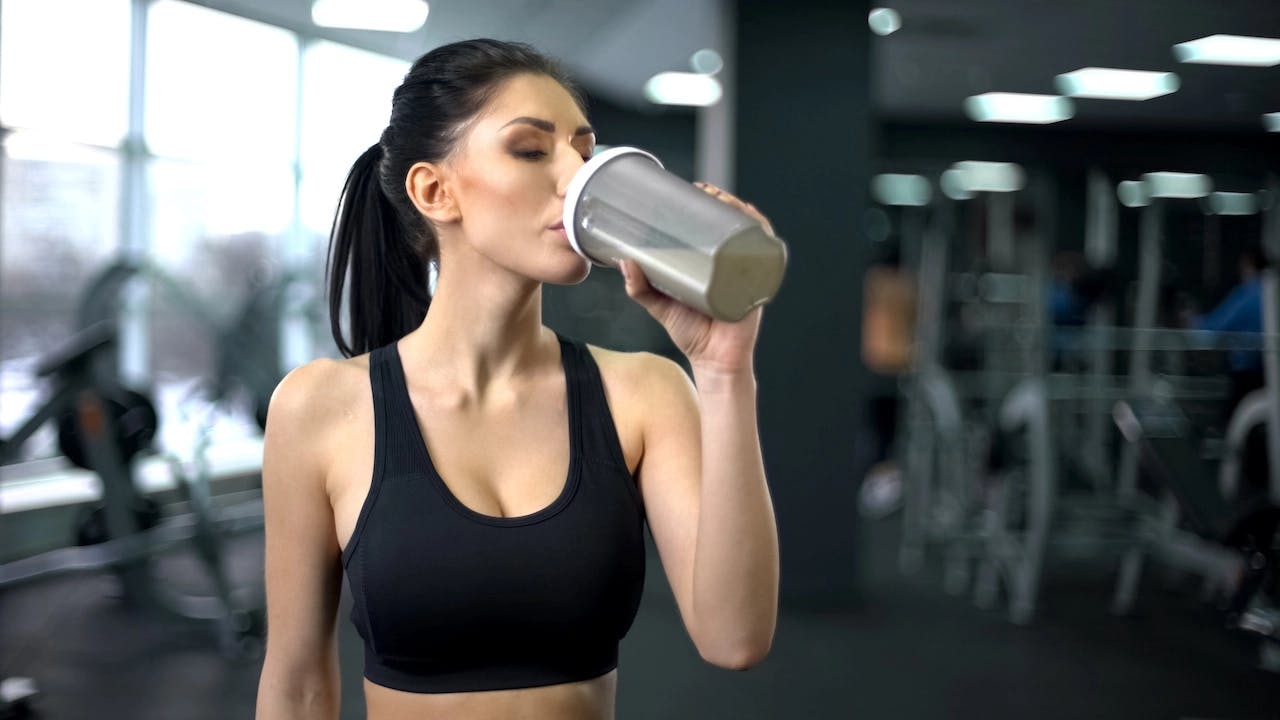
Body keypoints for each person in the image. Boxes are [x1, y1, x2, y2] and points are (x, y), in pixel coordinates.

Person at [254, 39, 780, 720]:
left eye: (584, 153)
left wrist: (724, 370)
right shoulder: (321, 408)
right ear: (434, 191)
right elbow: (296, 686)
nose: (575, 179)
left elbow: (735, 638)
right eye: (532, 151)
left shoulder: (644, 393)